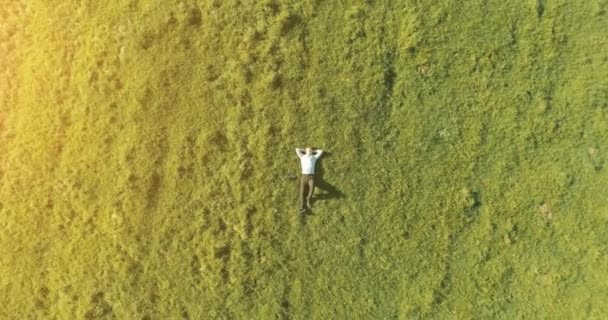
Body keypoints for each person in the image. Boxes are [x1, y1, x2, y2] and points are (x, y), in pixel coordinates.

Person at [295, 146, 323, 212]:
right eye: (308, 151)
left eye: (310, 151)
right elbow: (297, 149)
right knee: (302, 192)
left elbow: (321, 151)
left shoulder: (314, 157)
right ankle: (302, 207)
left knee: (312, 189)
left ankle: (308, 199)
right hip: (304, 176)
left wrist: (313, 151)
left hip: (311, 177)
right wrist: (305, 150)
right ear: (305, 151)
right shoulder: (302, 156)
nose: (309, 152)